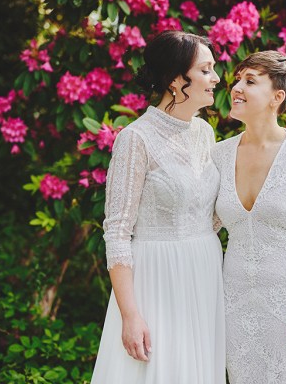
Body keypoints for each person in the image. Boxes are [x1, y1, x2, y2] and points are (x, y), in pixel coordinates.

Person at [91, 31, 225, 384]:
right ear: (175, 80)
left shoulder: (204, 133)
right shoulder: (136, 139)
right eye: (206, 70)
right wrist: (130, 315)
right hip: (158, 277)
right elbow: (117, 231)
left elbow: (213, 214)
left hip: (205, 272)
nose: (217, 78)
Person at [211, 51, 286, 383]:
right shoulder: (218, 154)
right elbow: (206, 223)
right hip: (233, 303)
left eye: (250, 81)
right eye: (237, 79)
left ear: (277, 97)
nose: (236, 87)